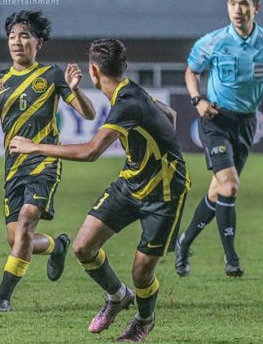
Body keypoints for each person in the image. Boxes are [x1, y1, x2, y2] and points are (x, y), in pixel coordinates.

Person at [10, 39, 189, 342]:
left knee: (142, 272)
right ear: (124, 67)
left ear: (93, 70)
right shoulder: (129, 92)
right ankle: (118, 296)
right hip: (131, 183)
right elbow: (169, 114)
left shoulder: (128, 102)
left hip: (164, 194)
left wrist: (35, 147)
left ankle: (144, 320)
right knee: (83, 247)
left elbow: (92, 151)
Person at [0, 10, 96, 313]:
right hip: (13, 168)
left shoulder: (52, 75)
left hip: (44, 163)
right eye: (12, 36)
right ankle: (58, 246)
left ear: (38, 42)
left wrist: (75, 91)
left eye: (24, 36)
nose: (16, 42)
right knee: (17, 238)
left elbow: (89, 114)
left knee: (28, 221)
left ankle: (2, 297)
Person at [175, 0, 263, 278]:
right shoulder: (212, 42)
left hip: (246, 122)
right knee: (230, 185)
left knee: (218, 191)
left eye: (243, 4)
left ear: (256, 8)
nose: (237, 10)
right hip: (215, 119)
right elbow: (192, 71)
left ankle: (184, 242)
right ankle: (231, 259)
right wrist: (197, 99)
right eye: (232, 3)